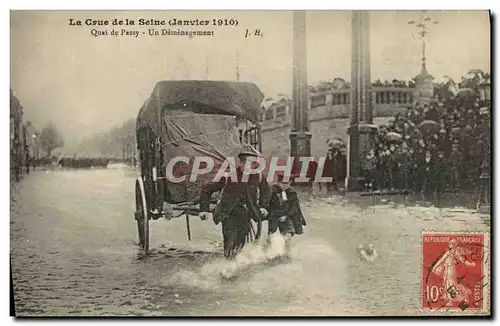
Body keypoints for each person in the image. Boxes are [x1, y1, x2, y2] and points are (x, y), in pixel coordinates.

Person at [198, 149, 271, 260]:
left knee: (241, 241)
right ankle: (228, 263)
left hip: (246, 213)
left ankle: (237, 264)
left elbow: (266, 190)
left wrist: (263, 206)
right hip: (229, 213)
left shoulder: (258, 176)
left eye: (252, 164)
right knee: (230, 239)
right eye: (247, 164)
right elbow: (206, 190)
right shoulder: (228, 176)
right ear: (241, 163)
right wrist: (204, 209)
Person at [266, 171, 306, 260]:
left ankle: (285, 252)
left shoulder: (292, 193)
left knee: (288, 234)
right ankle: (269, 252)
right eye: (282, 183)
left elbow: (295, 207)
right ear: (278, 182)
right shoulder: (271, 191)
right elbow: (266, 204)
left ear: (290, 183)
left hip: (287, 216)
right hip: (274, 216)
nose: (284, 186)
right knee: (271, 234)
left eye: (287, 184)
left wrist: (287, 215)